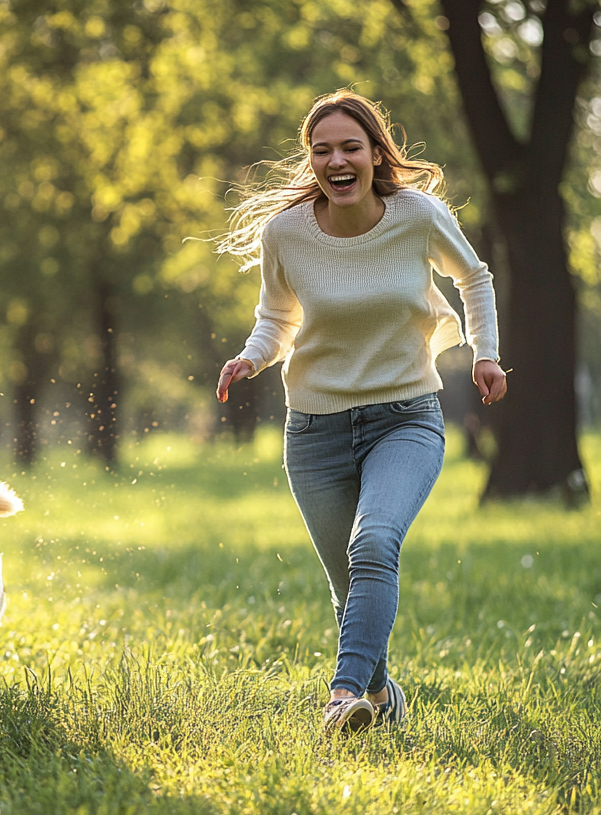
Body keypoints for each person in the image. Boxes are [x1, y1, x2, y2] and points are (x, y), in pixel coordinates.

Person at [215, 90, 507, 736]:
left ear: (376, 154)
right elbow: (276, 318)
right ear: (311, 161)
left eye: (351, 147)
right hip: (314, 431)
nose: (337, 161)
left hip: (404, 417)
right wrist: (250, 358)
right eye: (322, 151)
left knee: (374, 541)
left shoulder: (417, 216)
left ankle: (340, 693)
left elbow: (475, 275)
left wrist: (487, 354)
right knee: (350, 585)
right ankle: (378, 695)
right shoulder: (285, 233)